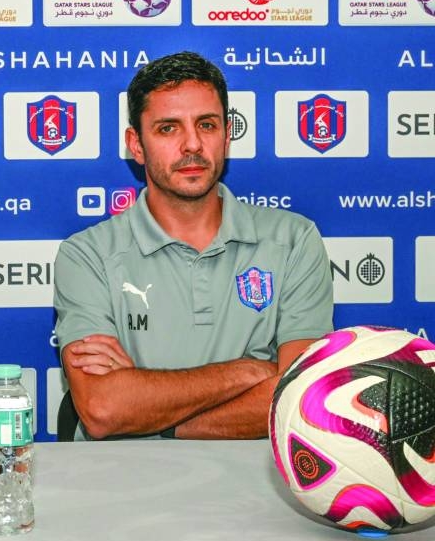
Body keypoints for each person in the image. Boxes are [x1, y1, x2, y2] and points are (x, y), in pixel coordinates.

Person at [53, 51, 333, 441]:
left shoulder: (293, 241)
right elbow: (104, 408)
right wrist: (251, 370)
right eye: (168, 129)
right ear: (136, 144)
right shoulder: (87, 255)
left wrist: (152, 415)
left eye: (207, 124)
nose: (192, 145)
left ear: (227, 133)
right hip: (122, 487)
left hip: (257, 488)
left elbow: (300, 400)